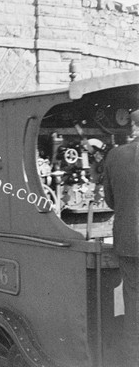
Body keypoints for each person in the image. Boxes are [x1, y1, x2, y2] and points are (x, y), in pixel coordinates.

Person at [103, 108, 139, 366]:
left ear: (134, 128)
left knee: (134, 309)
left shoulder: (116, 155)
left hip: (129, 242)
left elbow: (110, 200)